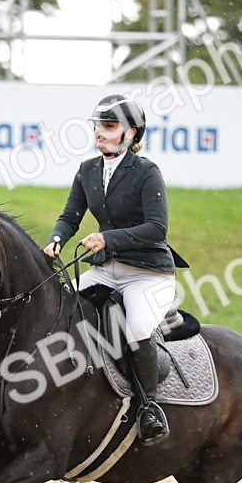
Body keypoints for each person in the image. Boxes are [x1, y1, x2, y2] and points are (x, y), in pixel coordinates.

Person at [44, 94, 185, 446]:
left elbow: (157, 229)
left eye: (109, 127)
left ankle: (148, 407)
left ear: (131, 133)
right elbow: (70, 216)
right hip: (105, 270)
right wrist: (57, 238)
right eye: (98, 127)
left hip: (148, 273)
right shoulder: (87, 170)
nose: (100, 134)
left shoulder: (147, 172)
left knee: (137, 325)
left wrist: (108, 238)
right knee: (59, 305)